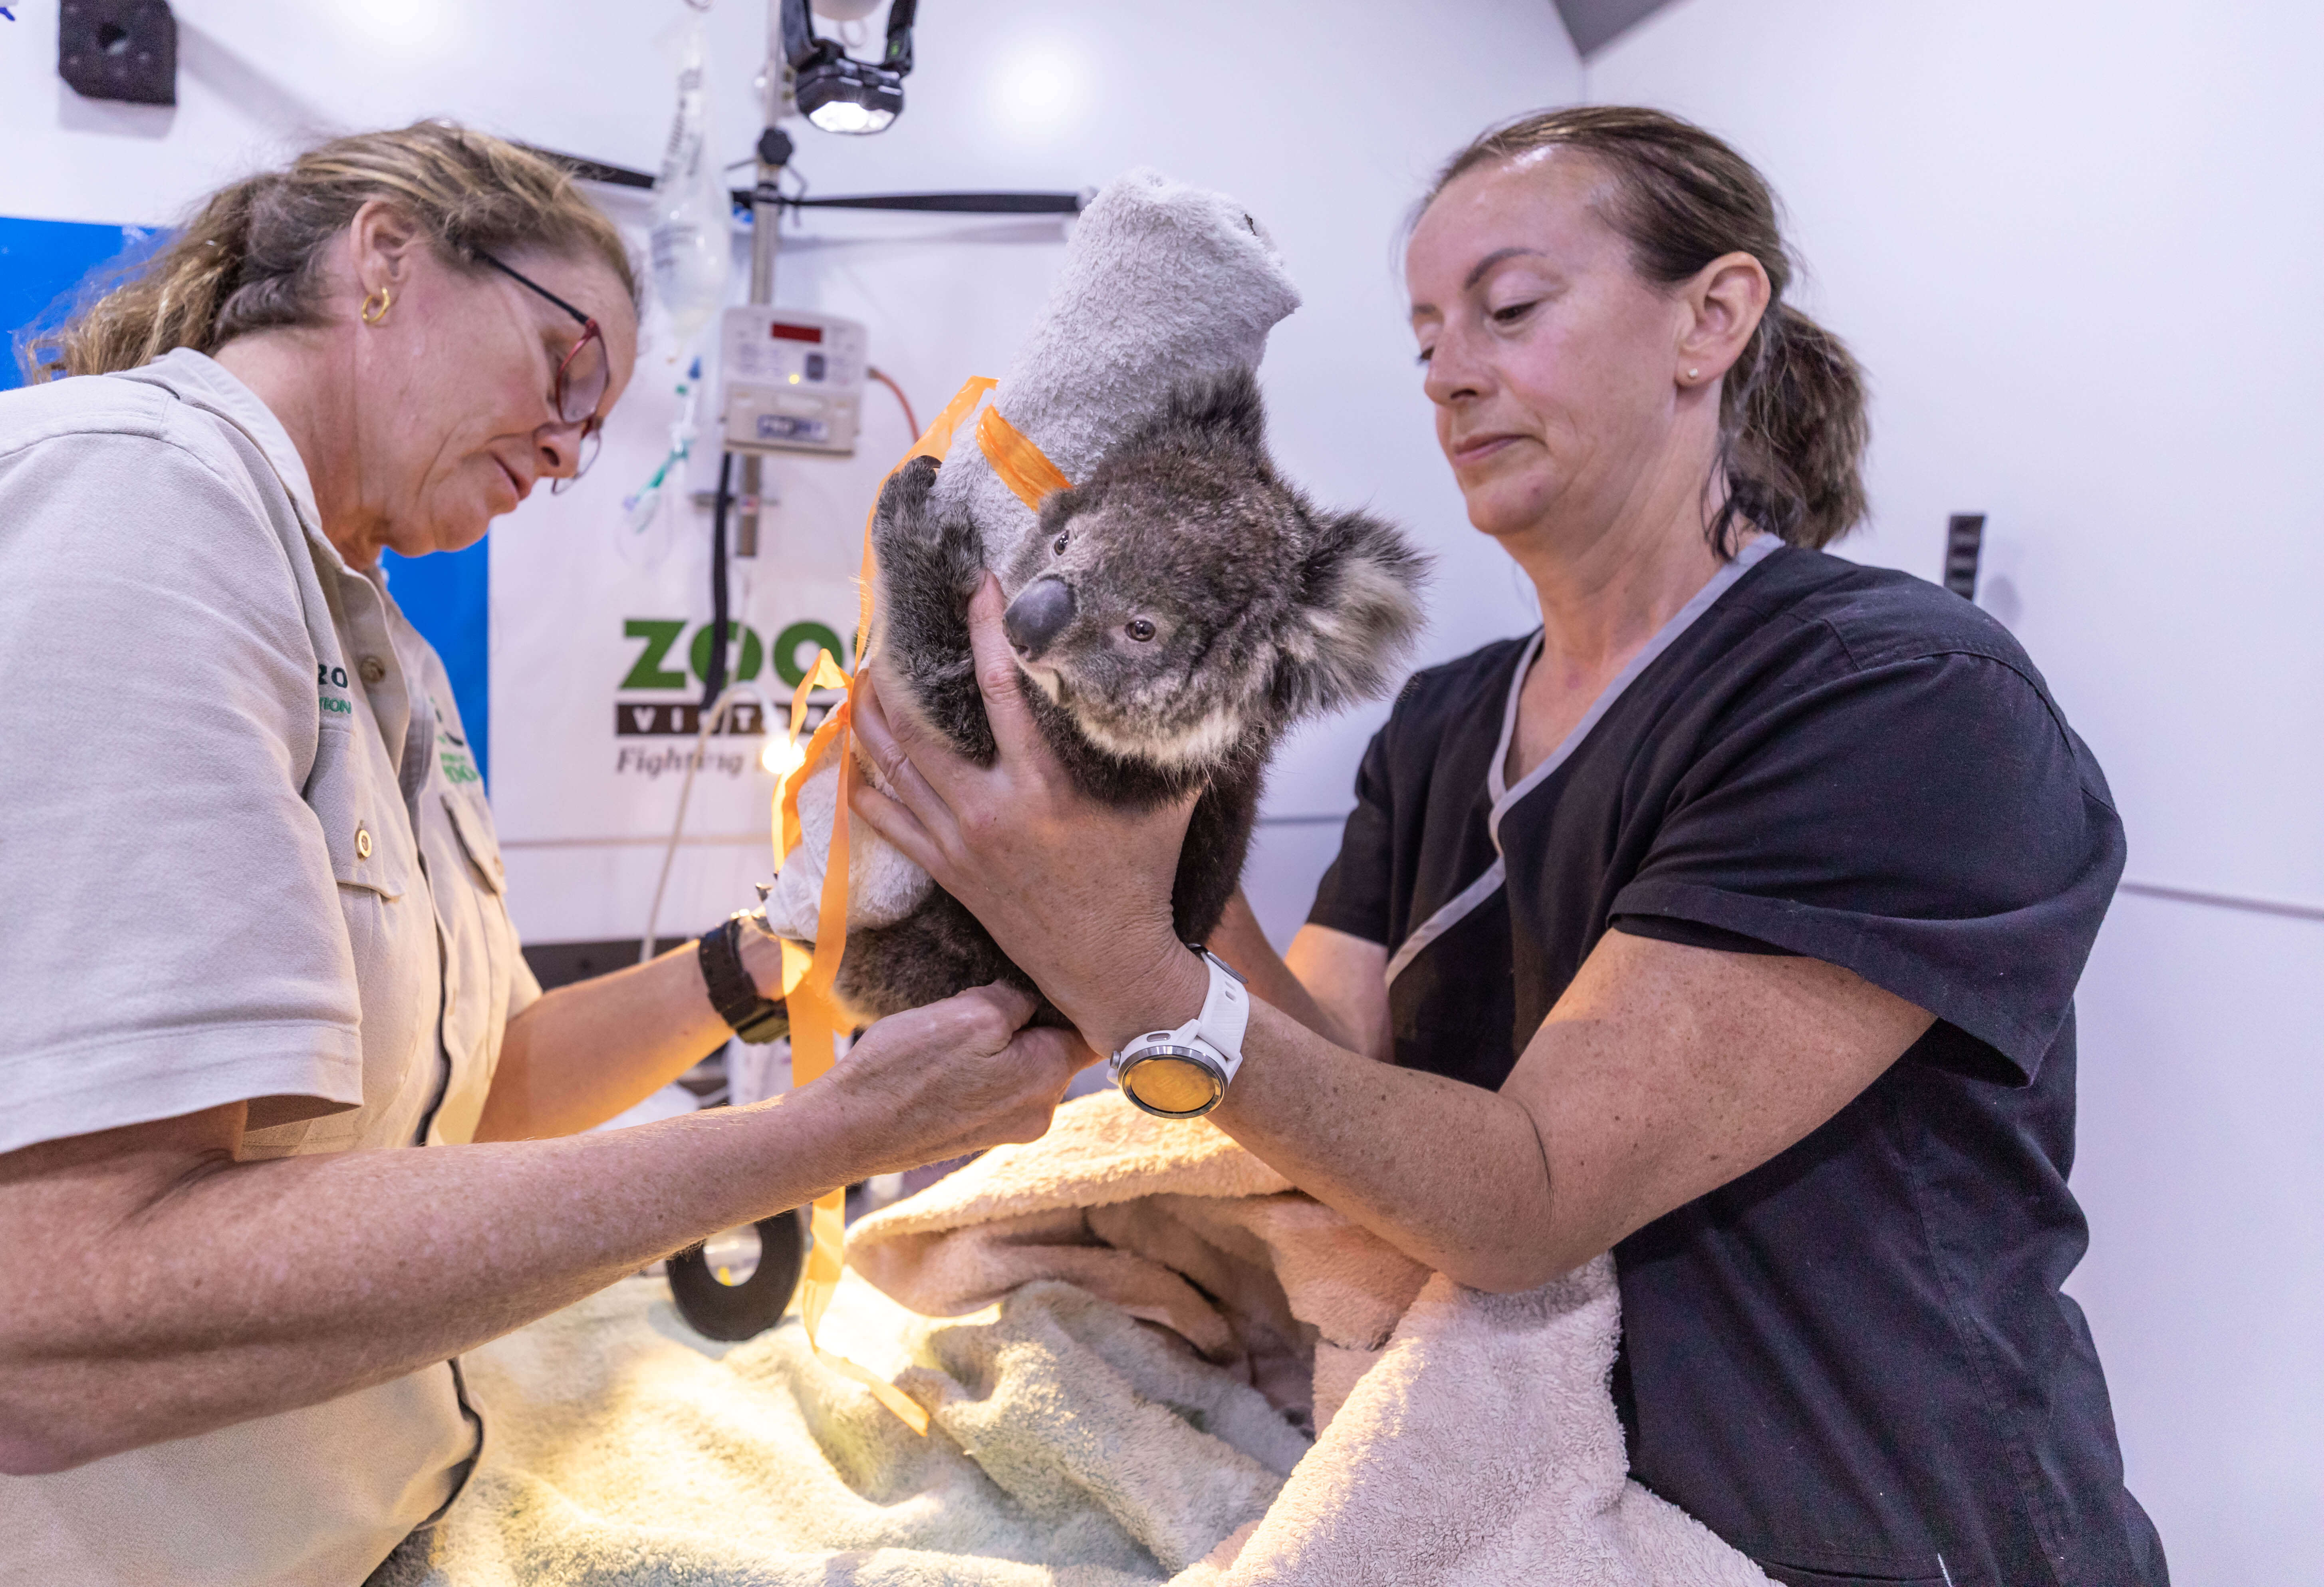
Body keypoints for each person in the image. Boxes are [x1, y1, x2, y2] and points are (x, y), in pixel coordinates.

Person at [847, 107, 2167, 1586]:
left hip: (1850, 1527)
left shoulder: (1892, 703)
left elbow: (1524, 1199)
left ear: (1711, 318)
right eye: (1424, 342)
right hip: (1489, 1498)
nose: (1453, 376)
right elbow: (1318, 1108)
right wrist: (1114, 803)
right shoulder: (1448, 718)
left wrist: (1121, 959)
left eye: (1512, 308)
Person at [0, 122, 1083, 1586]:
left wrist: (775, 952)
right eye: (567, 369)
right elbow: (60, 1303)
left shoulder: (379, 638)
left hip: (391, 1509)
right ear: (385, 260)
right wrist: (827, 1139)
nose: (573, 451)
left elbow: (478, 1096)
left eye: (600, 423)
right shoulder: (135, 503)